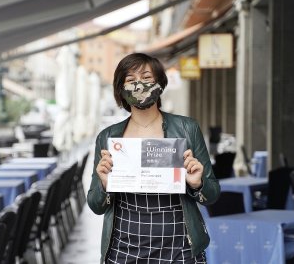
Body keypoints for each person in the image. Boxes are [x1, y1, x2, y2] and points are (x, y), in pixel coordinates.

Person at [87, 53, 220, 263]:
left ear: (160, 83)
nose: (139, 85)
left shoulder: (187, 128)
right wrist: (104, 184)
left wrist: (198, 184)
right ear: (120, 89)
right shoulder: (108, 137)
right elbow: (96, 206)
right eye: (130, 80)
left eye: (147, 78)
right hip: (124, 250)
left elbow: (212, 195)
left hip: (180, 248)